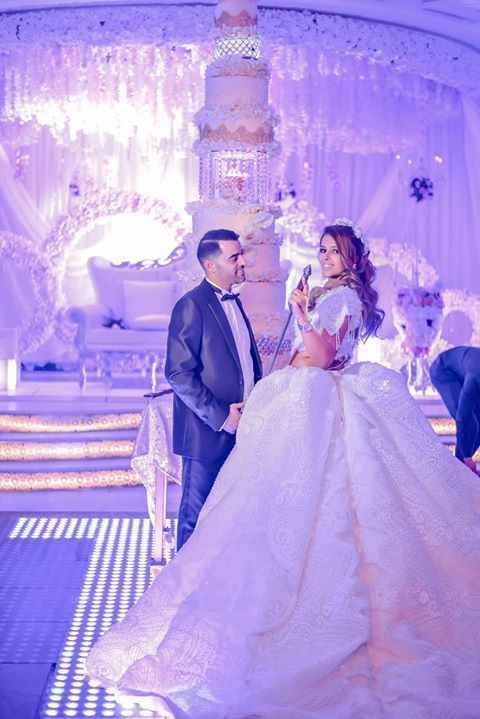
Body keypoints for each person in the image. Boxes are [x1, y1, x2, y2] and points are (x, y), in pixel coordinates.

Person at [86, 220, 480, 718]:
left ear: (353, 258)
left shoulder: (341, 297)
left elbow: (322, 355)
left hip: (323, 397)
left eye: (335, 251)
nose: (326, 256)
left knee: (327, 506)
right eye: (323, 249)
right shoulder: (306, 296)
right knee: (261, 505)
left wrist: (299, 313)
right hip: (294, 398)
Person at [165, 228, 262, 550]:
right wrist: (222, 416)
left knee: (233, 518)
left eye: (241, 254)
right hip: (207, 432)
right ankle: (182, 582)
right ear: (210, 265)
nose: (242, 261)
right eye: (234, 257)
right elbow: (178, 373)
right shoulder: (191, 305)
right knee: (196, 519)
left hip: (244, 427)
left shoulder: (234, 302)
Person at [430, 345, 480, 475]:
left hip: (464, 370)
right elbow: (462, 418)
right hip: (443, 371)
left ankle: (462, 467)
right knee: (470, 421)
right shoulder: (476, 376)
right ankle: (460, 468)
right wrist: (467, 457)